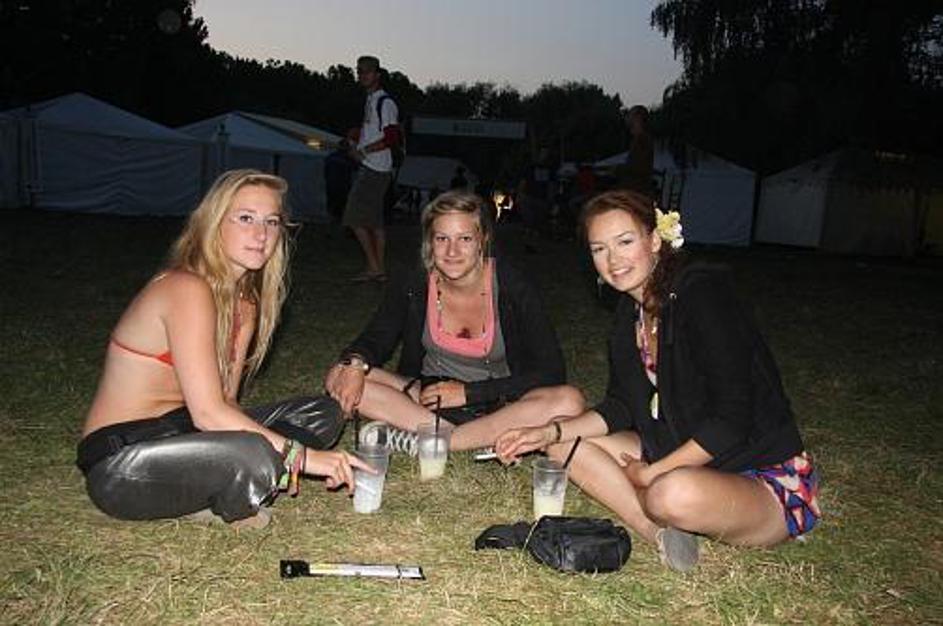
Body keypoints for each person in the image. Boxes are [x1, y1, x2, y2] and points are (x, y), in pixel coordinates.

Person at [496, 190, 820, 571]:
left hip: (758, 475)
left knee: (668, 495)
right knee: (564, 445)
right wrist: (547, 432)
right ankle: (659, 535)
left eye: (625, 242)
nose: (613, 260)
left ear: (654, 241)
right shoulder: (629, 318)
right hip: (682, 455)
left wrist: (650, 473)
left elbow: (732, 421)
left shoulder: (702, 295)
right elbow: (620, 406)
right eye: (599, 249)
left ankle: (664, 506)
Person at [77, 169, 371, 527]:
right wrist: (302, 457)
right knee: (255, 451)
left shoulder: (245, 304)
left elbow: (227, 402)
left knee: (322, 412)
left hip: (189, 437)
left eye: (271, 222)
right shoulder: (184, 288)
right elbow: (208, 413)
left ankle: (224, 481)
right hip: (122, 465)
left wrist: (276, 446)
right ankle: (234, 482)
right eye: (245, 218)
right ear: (213, 224)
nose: (261, 234)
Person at [325, 190, 583, 454]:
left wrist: (468, 393)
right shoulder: (415, 280)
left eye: (465, 238)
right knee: (339, 374)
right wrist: (355, 363)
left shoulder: (512, 285)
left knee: (569, 400)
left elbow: (551, 372)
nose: (452, 251)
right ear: (430, 241)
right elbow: (378, 335)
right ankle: (468, 437)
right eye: (442, 238)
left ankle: (441, 441)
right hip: (426, 399)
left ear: (483, 239)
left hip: (500, 403)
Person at [343, 55, 402, 283]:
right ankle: (378, 269)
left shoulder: (385, 103)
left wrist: (364, 151)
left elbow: (392, 137)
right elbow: (375, 132)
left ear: (377, 75)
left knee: (353, 217)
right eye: (359, 71)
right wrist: (356, 137)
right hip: (375, 167)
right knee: (375, 221)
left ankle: (374, 267)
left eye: (366, 71)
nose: (362, 75)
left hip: (375, 168)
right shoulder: (371, 100)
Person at [618, 105, 655, 198]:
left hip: (636, 192)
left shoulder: (643, 141)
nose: (629, 122)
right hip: (635, 189)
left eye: (632, 118)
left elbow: (638, 169)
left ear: (639, 120)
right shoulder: (638, 139)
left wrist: (619, 169)